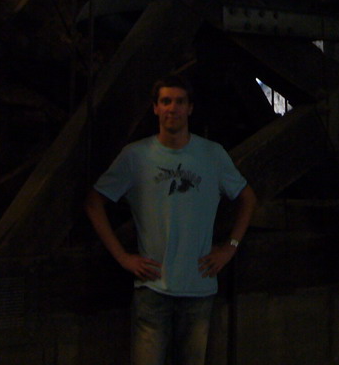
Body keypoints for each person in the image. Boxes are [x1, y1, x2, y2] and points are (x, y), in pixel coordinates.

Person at [84, 73, 257, 365]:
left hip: (199, 287)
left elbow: (248, 199)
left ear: (190, 108)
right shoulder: (135, 157)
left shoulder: (212, 155)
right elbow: (93, 203)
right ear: (155, 108)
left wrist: (230, 247)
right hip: (153, 289)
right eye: (165, 101)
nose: (172, 108)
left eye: (179, 102)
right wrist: (123, 258)